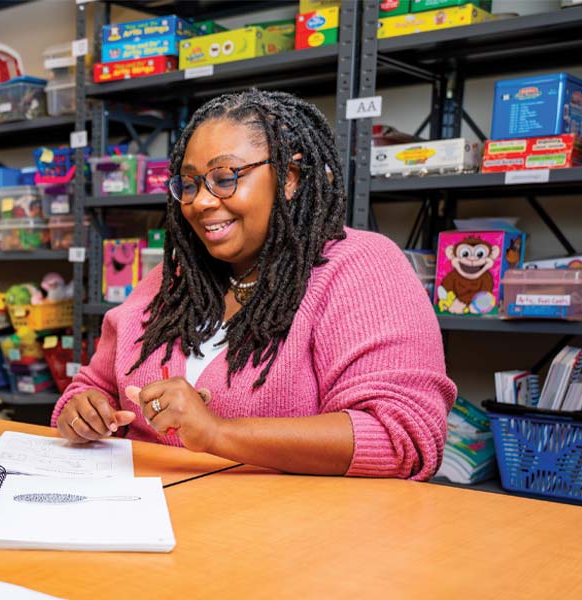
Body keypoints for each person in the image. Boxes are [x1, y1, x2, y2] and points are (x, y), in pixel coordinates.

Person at [53, 90, 455, 480]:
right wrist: (84, 410)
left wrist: (217, 433)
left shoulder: (361, 267)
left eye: (224, 177)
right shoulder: (171, 279)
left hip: (287, 535)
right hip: (148, 520)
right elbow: (93, 386)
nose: (200, 202)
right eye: (189, 184)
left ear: (290, 177)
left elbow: (400, 436)